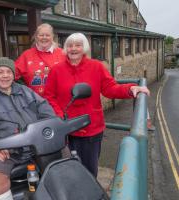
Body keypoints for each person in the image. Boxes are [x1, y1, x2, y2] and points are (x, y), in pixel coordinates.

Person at [44, 33, 150, 177]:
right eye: (70, 45)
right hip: (66, 129)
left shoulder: (96, 67)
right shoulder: (56, 70)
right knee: (68, 171)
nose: (73, 48)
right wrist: (59, 115)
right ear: (65, 48)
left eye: (78, 45)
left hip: (91, 129)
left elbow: (110, 88)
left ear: (84, 48)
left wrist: (130, 89)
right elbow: (49, 96)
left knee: (89, 170)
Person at [0, 57, 56, 200]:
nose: (5, 75)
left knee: (63, 157)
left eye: (9, 72)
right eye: (0, 72)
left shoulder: (26, 91)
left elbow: (46, 112)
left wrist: (49, 130)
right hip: (3, 149)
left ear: (14, 75)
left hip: (33, 144)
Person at [0, 23, 66, 96]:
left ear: (52, 37)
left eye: (47, 35)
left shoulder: (62, 54)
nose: (44, 37)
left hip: (58, 101)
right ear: (36, 37)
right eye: (41, 35)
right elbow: (13, 70)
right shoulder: (27, 55)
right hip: (35, 102)